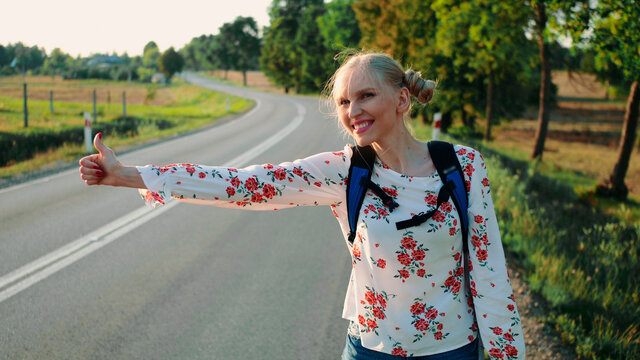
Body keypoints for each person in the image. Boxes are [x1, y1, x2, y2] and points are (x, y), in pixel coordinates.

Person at [79, 51, 525, 360]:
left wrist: (506, 352)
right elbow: (242, 184)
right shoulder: (344, 170)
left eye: (366, 95)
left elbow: (488, 272)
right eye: (344, 102)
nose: (353, 111)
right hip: (371, 349)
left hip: (451, 350)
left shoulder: (462, 166)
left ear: (402, 99)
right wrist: (129, 175)